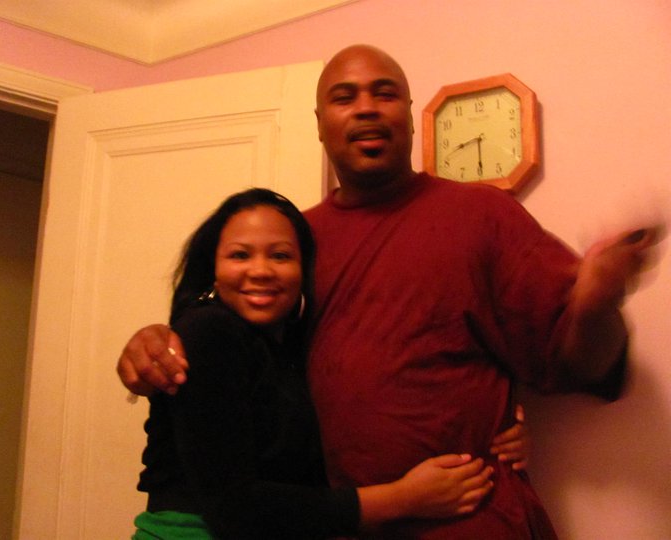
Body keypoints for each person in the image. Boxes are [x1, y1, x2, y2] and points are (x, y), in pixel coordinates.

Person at [119, 45, 660, 539]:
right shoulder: (293, 244)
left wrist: (597, 302)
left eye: (385, 94)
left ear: (408, 113)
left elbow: (582, 361)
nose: (366, 109)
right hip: (336, 524)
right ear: (320, 123)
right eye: (344, 97)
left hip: (469, 519)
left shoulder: (480, 215)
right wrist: (154, 342)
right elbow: (242, 365)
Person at [132, 187, 507, 540]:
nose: (260, 270)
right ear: (212, 268)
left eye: (280, 256)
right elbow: (234, 506)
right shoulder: (208, 331)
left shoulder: (287, 344)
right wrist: (404, 499)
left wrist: (502, 418)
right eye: (240, 255)